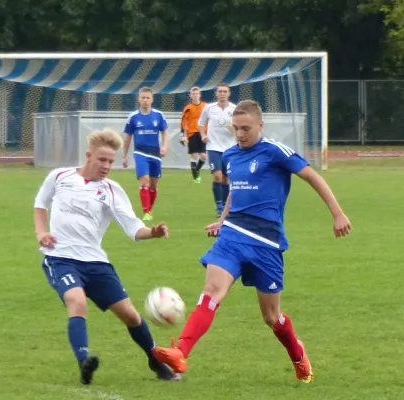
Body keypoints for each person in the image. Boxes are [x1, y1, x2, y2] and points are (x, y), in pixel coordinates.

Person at [152, 100, 352, 384]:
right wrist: (223, 220)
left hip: (266, 243)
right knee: (211, 292)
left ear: (261, 125)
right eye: (236, 129)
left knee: (272, 318)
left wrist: (338, 214)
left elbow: (313, 177)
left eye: (246, 128)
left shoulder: (274, 151)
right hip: (233, 235)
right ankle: (180, 351)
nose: (240, 134)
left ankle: (298, 355)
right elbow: (236, 190)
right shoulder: (231, 155)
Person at [34, 129, 180, 385]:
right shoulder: (59, 176)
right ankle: (84, 363)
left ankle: (155, 360)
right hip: (60, 258)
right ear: (89, 156)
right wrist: (41, 232)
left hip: (96, 262)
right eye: (102, 160)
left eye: (111, 161)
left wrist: (153, 232)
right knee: (76, 302)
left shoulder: (111, 190)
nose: (106, 166)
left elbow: (133, 228)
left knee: (132, 316)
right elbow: (40, 204)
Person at [122, 87, 169, 221]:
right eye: (143, 98)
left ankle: (149, 209)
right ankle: (146, 211)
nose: (145, 100)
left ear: (152, 99)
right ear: (139, 99)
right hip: (140, 152)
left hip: (155, 153)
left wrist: (164, 147)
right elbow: (127, 138)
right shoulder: (133, 117)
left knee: (153, 185)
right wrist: (124, 156)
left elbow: (165, 132)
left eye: (148, 98)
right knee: (145, 180)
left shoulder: (158, 115)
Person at [198, 84, 236, 216]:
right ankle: (219, 206)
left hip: (230, 148)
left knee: (226, 178)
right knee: (217, 176)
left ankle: (226, 206)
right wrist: (203, 135)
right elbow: (201, 124)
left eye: (225, 91)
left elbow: (238, 128)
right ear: (216, 93)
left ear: (229, 94)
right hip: (213, 147)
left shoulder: (234, 109)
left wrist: (233, 129)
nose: (222, 94)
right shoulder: (209, 108)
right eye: (220, 91)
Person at [179, 87, 207, 183]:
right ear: (190, 96)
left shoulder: (205, 106)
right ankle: (195, 177)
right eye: (193, 94)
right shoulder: (187, 108)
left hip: (203, 133)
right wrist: (183, 135)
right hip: (192, 133)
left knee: (203, 156)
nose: (195, 95)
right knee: (194, 155)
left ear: (200, 95)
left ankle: (197, 170)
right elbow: (183, 122)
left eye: (196, 93)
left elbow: (210, 119)